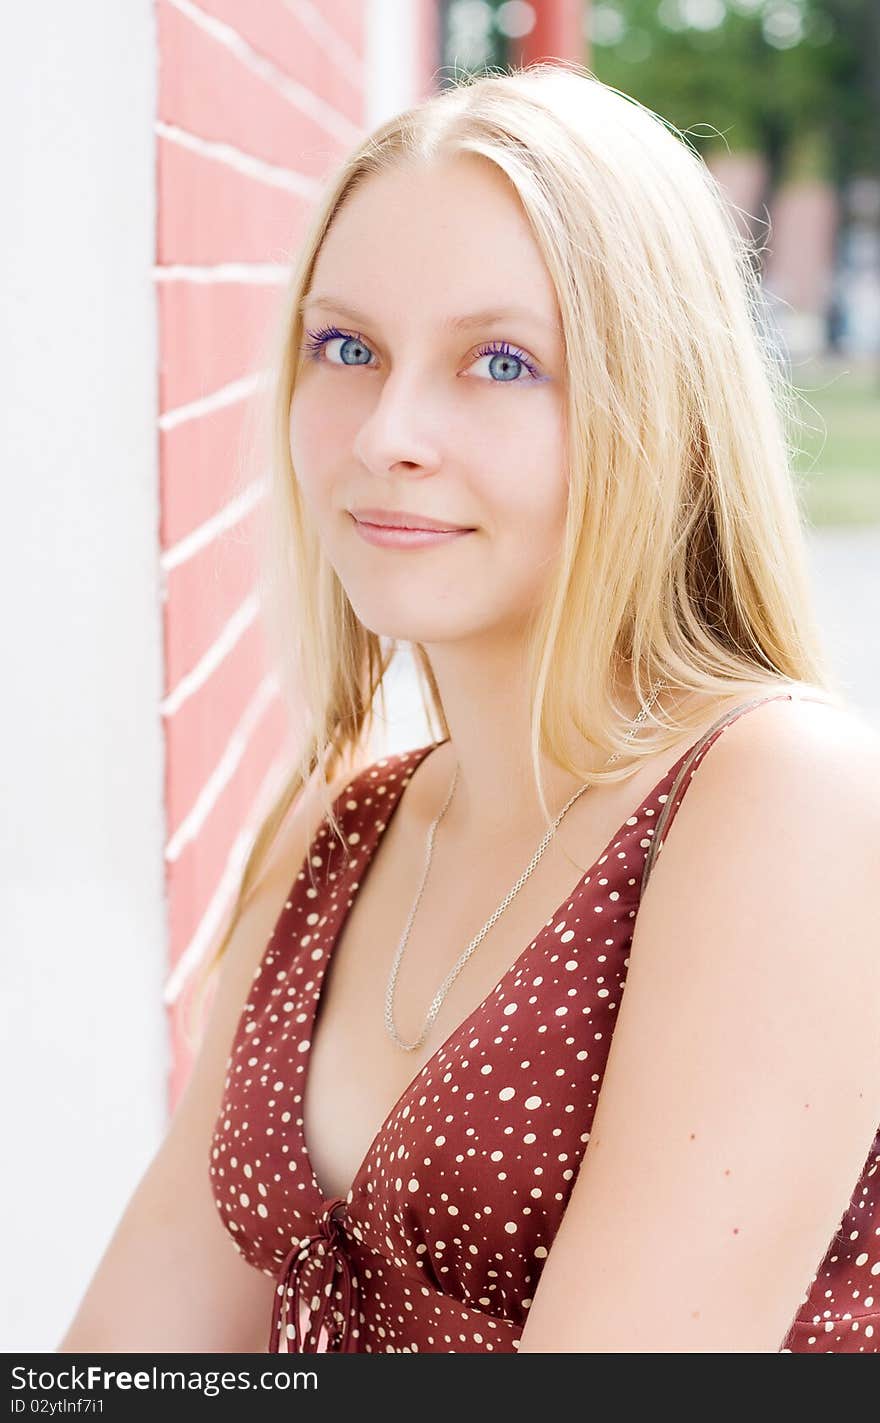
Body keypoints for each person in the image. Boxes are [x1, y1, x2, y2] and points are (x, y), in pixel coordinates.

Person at [58, 63, 880, 1356]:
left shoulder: (780, 801)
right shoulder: (333, 835)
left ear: (657, 412)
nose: (387, 430)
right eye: (348, 348)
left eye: (501, 362)